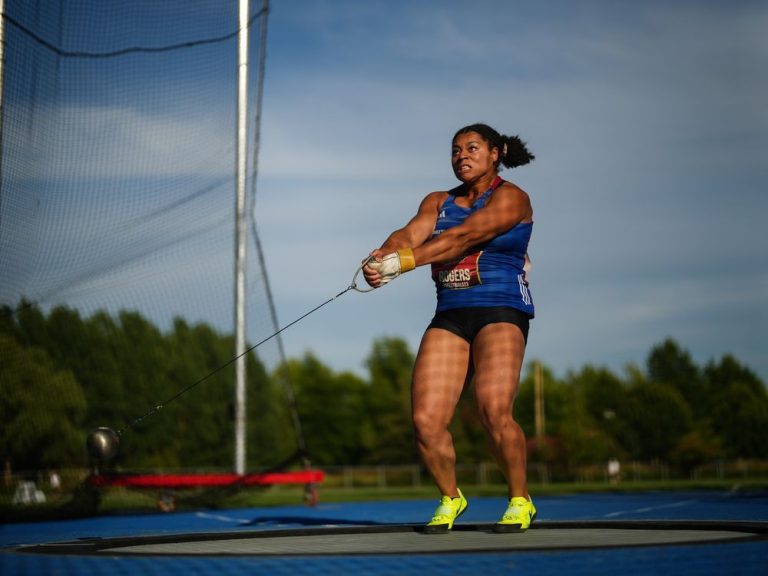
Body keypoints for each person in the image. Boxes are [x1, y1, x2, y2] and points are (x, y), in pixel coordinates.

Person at [363, 123, 537, 534]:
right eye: (455, 150)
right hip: (451, 314)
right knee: (425, 420)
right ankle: (451, 497)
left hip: (500, 309)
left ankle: (520, 499)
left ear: (496, 153)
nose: (462, 155)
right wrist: (383, 256)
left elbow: (464, 237)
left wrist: (404, 263)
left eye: (472, 148)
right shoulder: (438, 200)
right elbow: (409, 234)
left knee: (492, 409)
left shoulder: (512, 197)